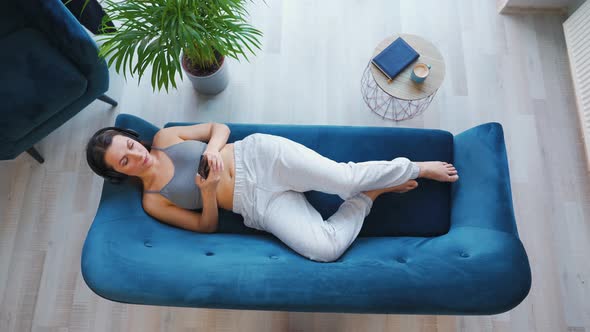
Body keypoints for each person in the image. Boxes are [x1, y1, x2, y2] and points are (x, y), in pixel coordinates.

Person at [86, 122, 459, 262]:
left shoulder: (168, 138)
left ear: (132, 139)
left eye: (129, 147)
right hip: (257, 205)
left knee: (344, 179)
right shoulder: (154, 201)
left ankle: (416, 167)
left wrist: (213, 149)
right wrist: (209, 192)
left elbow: (219, 127)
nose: (135, 157)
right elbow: (204, 227)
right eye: (124, 162)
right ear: (118, 174)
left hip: (261, 157)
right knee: (325, 250)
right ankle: (371, 196)